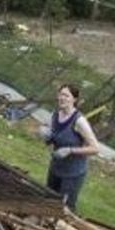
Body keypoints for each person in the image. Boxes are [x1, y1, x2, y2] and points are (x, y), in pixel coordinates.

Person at [38, 83, 99, 211]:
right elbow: (54, 140)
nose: (62, 98)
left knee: (64, 208)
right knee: (48, 201)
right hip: (55, 168)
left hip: (72, 173)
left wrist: (71, 150)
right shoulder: (55, 115)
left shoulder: (79, 121)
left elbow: (95, 148)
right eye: (60, 94)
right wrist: (46, 136)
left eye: (66, 95)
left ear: (74, 99)